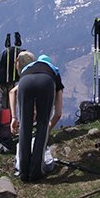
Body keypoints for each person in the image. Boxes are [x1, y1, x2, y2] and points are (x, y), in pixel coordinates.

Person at [9, 52, 63, 182]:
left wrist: (14, 117)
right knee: (42, 125)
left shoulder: (29, 68)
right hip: (46, 82)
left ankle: (23, 171)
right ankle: (35, 171)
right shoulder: (54, 71)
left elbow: (12, 91)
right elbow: (58, 113)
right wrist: (47, 128)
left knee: (25, 128)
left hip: (25, 81)